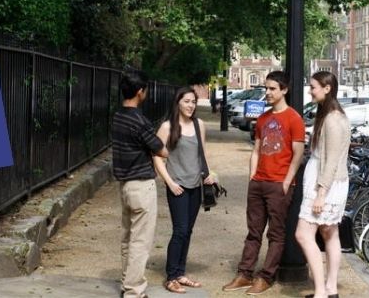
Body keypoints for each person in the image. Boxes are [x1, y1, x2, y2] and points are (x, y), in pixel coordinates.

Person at [222, 71, 306, 295]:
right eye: (266, 88)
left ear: (284, 90)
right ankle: (245, 274)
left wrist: (287, 182)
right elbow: (257, 149)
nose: (267, 92)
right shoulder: (263, 118)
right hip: (258, 182)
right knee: (253, 232)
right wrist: (252, 175)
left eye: (272, 89)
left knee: (276, 234)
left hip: (279, 183)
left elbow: (298, 154)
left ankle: (266, 276)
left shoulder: (294, 118)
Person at [111, 71, 169, 298]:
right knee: (140, 241)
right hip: (141, 185)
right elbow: (161, 149)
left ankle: (127, 283)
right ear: (139, 92)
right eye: (145, 90)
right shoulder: (139, 120)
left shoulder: (118, 116)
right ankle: (134, 291)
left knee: (127, 238)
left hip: (124, 185)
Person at [153, 87, 215, 293]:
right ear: (178, 102)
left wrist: (209, 174)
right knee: (179, 231)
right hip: (177, 186)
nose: (191, 105)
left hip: (195, 186)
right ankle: (171, 276)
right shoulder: (167, 127)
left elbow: (203, 154)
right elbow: (157, 157)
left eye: (193, 102)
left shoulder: (200, 125)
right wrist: (169, 182)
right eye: (187, 101)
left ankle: (180, 272)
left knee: (188, 231)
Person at [295, 71, 350, 298]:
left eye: (313, 87)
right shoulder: (330, 115)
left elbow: (332, 161)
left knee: (303, 234)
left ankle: (320, 292)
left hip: (325, 185)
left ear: (327, 88)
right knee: (330, 233)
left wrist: (320, 193)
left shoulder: (333, 119)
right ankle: (330, 288)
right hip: (328, 183)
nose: (310, 90)